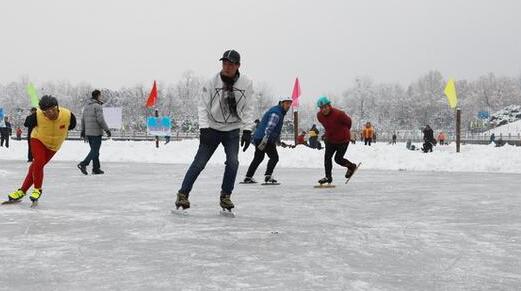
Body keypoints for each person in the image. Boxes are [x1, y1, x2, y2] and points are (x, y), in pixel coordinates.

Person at [175, 49, 254, 211]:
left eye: (230, 64)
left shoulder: (246, 83)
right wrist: (204, 128)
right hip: (212, 128)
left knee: (233, 162)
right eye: (224, 63)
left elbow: (248, 107)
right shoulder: (212, 82)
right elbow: (202, 106)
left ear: (238, 65)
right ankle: (183, 194)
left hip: (232, 129)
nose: (226, 67)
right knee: (199, 162)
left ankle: (226, 196)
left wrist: (247, 130)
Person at [5, 95, 76, 204]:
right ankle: (38, 189)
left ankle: (22, 191)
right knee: (38, 161)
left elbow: (72, 126)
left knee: (35, 167)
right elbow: (27, 123)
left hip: (53, 146)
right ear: (43, 112)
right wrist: (33, 117)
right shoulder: (37, 116)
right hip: (38, 139)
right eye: (47, 111)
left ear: (57, 107)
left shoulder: (68, 115)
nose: (51, 113)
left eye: (53, 109)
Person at [243, 97, 292, 184]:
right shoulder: (276, 113)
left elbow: (276, 130)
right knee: (274, 157)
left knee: (258, 157)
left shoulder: (278, 112)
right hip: (265, 138)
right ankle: (268, 176)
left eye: (290, 103)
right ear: (281, 103)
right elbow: (270, 127)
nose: (289, 105)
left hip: (260, 137)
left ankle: (248, 177)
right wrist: (265, 139)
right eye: (287, 103)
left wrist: (278, 142)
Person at [315, 96, 358, 185]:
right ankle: (328, 177)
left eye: (326, 107)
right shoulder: (319, 116)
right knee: (327, 158)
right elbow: (327, 125)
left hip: (343, 140)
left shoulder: (339, 114)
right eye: (322, 108)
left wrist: (343, 131)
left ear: (329, 105)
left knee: (338, 159)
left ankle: (351, 166)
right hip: (330, 140)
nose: (324, 109)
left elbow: (349, 122)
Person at [77, 90, 111, 175]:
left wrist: (83, 130)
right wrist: (107, 130)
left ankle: (96, 168)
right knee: (95, 151)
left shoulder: (86, 107)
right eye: (100, 96)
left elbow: (82, 119)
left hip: (88, 132)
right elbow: (100, 119)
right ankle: (83, 164)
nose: (101, 97)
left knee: (94, 151)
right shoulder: (97, 106)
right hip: (96, 132)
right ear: (98, 96)